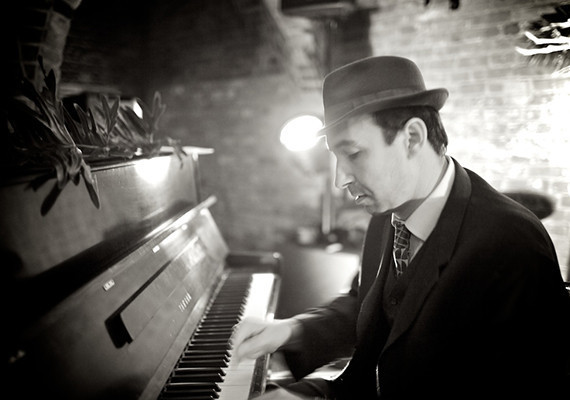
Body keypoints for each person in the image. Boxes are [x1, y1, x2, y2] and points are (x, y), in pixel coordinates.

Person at [232, 56, 570, 399]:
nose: (340, 179)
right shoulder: (386, 215)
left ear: (412, 137)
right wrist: (292, 330)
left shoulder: (511, 244)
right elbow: (369, 308)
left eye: (353, 154)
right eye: (336, 157)